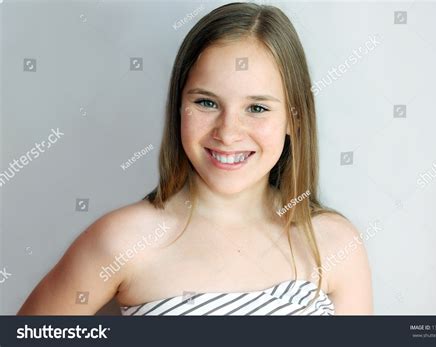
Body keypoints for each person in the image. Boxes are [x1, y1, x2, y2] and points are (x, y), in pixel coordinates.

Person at [18, 2, 372, 316]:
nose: (228, 131)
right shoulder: (123, 239)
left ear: (294, 119)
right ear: (178, 107)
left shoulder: (334, 244)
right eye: (206, 102)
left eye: (257, 108)